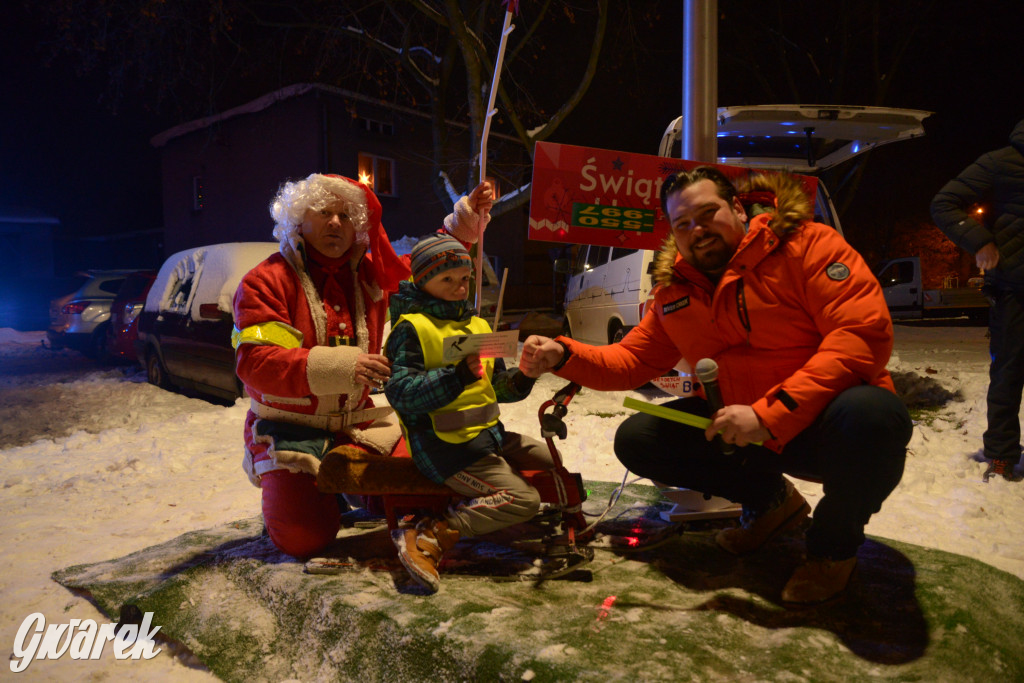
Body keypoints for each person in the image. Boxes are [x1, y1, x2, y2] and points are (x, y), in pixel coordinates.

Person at [521, 167, 912, 604]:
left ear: (739, 209)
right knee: (639, 437)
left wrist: (769, 415)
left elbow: (860, 335)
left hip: (822, 425)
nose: (698, 230)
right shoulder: (674, 291)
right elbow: (631, 361)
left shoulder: (808, 245)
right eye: (683, 223)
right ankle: (773, 506)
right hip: (744, 430)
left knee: (874, 416)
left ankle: (832, 550)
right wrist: (564, 355)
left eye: (708, 213)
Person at [233, 173, 492, 558]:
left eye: (345, 215)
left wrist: (466, 220)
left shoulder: (373, 275)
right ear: (298, 219)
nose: (336, 223)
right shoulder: (264, 282)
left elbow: (428, 267)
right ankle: (310, 493)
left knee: (426, 490)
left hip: (359, 423)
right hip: (289, 428)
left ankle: (363, 496)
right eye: (324, 212)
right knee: (304, 540)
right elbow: (256, 364)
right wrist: (343, 366)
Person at [383, 232, 552, 592]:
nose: (460, 288)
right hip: (443, 447)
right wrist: (455, 377)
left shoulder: (478, 325)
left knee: (549, 459)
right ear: (422, 281)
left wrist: (524, 375)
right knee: (525, 499)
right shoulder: (410, 329)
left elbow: (496, 386)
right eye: (447, 279)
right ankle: (432, 532)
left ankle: (492, 513)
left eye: (464, 278)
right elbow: (400, 394)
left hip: (487, 437)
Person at [931, 118, 1024, 483]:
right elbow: (944, 203)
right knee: (1008, 374)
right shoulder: (1002, 161)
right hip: (1014, 289)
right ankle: (1001, 454)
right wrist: (980, 241)